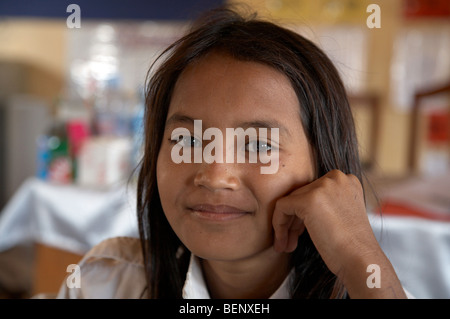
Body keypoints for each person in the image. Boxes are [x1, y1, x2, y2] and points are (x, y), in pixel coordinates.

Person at [57, 6, 411, 299]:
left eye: (258, 146)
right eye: (187, 141)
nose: (214, 174)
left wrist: (360, 260)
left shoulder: (371, 286)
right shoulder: (104, 284)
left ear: (323, 166)